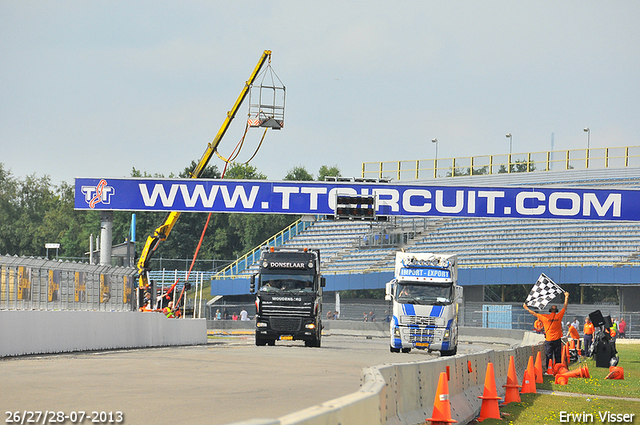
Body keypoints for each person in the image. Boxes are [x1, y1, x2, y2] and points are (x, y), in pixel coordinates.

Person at [523, 291, 569, 371]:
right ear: (556, 310)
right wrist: (566, 297)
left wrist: (526, 308)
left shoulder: (545, 317)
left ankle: (549, 369)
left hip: (548, 340)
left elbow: (534, 313)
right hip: (557, 339)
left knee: (549, 355)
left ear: (550, 310)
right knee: (557, 355)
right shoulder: (559, 316)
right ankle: (558, 369)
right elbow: (565, 307)